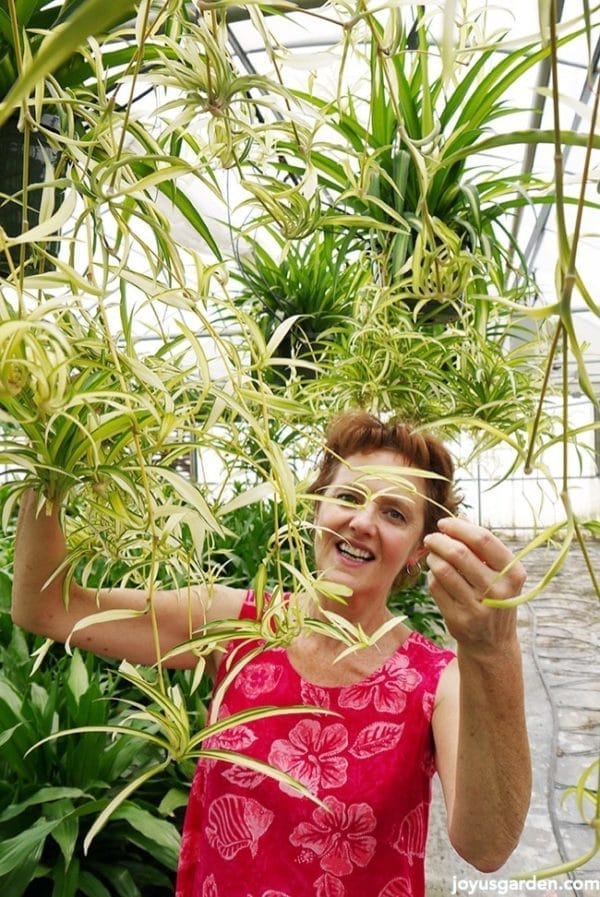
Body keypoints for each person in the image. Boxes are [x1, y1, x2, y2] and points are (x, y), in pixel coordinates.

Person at [11, 410, 531, 897]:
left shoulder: (438, 681)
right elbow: (47, 609)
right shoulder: (233, 624)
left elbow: (487, 848)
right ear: (315, 507)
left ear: (421, 548)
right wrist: (52, 451)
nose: (363, 522)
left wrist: (494, 651)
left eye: (394, 513)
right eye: (348, 496)